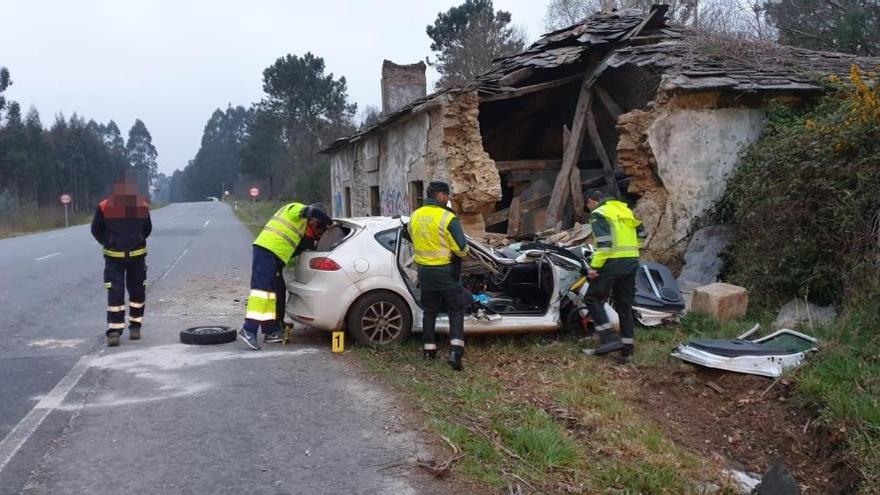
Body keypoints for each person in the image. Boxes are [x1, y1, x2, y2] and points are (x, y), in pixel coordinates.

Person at [238, 202, 330, 350]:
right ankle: (248, 329)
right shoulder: (294, 209)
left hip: (276, 258)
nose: (315, 225)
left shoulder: (303, 228)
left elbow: (300, 246)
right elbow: (313, 212)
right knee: (261, 292)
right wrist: (330, 223)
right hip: (266, 251)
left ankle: (270, 331)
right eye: (316, 222)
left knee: (274, 292)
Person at [408, 181, 470, 371]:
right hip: (446, 273)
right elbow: (462, 250)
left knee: (430, 312)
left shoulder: (415, 216)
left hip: (425, 274)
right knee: (456, 310)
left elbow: (412, 238)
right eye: (447, 195)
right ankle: (455, 353)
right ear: (441, 196)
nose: (448, 199)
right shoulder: (447, 218)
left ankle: (429, 351)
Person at [582, 190, 647, 359]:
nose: (589, 210)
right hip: (631, 261)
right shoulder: (625, 210)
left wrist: (593, 267)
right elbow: (642, 234)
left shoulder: (599, 213)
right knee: (623, 304)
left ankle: (608, 338)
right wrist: (631, 250)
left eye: (588, 206)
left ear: (591, 201)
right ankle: (627, 346)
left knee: (592, 298)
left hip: (612, 262)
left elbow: (604, 246)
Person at [91, 176, 152, 347]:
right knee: (132, 292)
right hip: (123, 256)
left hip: (125, 256)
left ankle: (126, 329)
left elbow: (96, 231)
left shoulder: (107, 206)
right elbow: (147, 230)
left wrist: (108, 241)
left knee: (123, 293)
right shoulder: (139, 205)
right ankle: (122, 329)